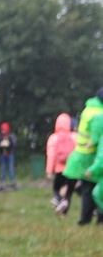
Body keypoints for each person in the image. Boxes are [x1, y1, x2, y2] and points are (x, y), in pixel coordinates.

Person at [59, 88, 103, 224]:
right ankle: (91, 218)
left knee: (86, 188)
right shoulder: (99, 114)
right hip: (92, 155)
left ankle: (86, 218)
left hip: (81, 153)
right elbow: (96, 135)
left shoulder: (88, 109)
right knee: (92, 188)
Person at [46, 113, 76, 207]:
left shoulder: (53, 138)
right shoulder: (74, 136)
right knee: (69, 191)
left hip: (59, 170)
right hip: (71, 170)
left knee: (56, 189)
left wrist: (49, 171)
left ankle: (58, 199)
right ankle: (64, 206)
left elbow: (51, 155)